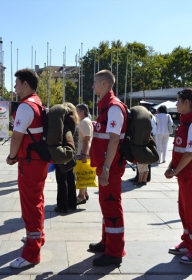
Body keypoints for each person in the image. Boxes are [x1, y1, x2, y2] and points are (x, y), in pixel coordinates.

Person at [6, 69, 49, 269]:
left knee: (30, 205)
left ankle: (32, 253)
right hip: (38, 161)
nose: (14, 87)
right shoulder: (38, 102)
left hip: (30, 162)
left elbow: (17, 137)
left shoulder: (25, 107)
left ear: (25, 84)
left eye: (16, 84)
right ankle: (38, 237)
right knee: (37, 201)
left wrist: (11, 156)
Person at [89, 70, 127, 266]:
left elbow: (113, 140)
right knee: (106, 205)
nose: (93, 86)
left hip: (110, 167)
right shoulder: (105, 107)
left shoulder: (113, 108)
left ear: (104, 84)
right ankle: (107, 242)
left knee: (112, 206)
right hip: (106, 166)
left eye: (95, 82)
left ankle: (115, 252)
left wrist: (105, 168)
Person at [165, 89, 192, 264]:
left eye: (179, 101)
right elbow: (179, 151)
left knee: (190, 212)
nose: (176, 104)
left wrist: (175, 170)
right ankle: (187, 241)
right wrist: (170, 167)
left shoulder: (190, 124)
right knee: (184, 211)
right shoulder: (184, 123)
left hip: (189, 176)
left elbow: (190, 154)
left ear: (188, 102)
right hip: (183, 177)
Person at [54, 103, 79, 213]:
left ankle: (62, 205)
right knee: (70, 180)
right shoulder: (75, 125)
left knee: (62, 181)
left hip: (63, 155)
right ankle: (72, 203)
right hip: (72, 156)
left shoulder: (64, 126)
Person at [76, 104, 94, 204]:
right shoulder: (85, 121)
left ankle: (81, 195)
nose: (76, 113)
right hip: (83, 151)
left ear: (82, 111)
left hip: (82, 151)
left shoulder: (84, 122)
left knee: (81, 174)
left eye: (77, 111)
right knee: (84, 173)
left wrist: (84, 154)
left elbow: (86, 139)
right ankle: (85, 193)